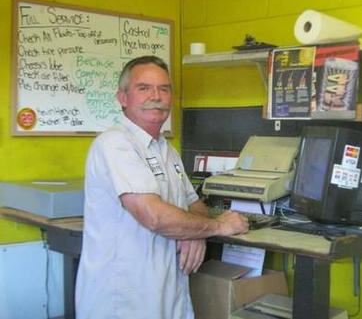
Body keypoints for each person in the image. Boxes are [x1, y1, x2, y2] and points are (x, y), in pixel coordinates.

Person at [75, 55, 249, 319]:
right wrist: (219, 226)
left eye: (163, 89)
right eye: (143, 88)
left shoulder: (165, 149)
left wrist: (195, 233)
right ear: (123, 97)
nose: (155, 96)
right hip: (124, 297)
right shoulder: (115, 144)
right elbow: (154, 217)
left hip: (166, 289)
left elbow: (194, 205)